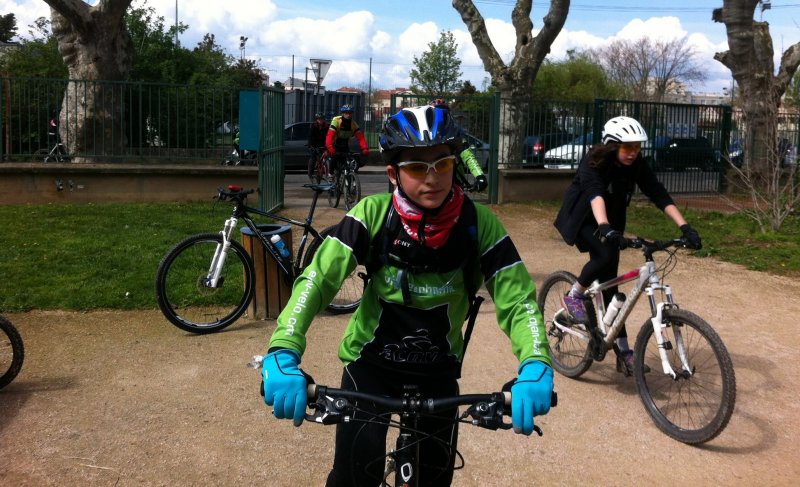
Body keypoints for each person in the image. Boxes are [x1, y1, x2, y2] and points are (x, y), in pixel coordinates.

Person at [262, 105, 553, 486]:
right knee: (352, 478)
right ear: (393, 173)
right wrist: (283, 348)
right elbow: (317, 280)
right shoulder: (371, 214)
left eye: (442, 164)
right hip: (370, 368)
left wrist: (535, 362)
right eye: (416, 167)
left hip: (438, 372)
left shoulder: (479, 225)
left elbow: (518, 301)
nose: (431, 178)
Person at [553, 116, 702, 376]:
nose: (633, 153)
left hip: (612, 222)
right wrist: (605, 227)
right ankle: (574, 295)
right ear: (612, 146)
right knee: (603, 255)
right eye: (627, 147)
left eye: (637, 147)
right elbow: (595, 194)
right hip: (584, 219)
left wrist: (685, 227)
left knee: (613, 287)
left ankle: (623, 352)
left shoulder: (637, 165)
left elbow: (658, 193)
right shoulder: (594, 162)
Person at [430, 98, 488, 192]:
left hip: (455, 180)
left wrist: (479, 175)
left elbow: (467, 155)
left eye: (444, 114)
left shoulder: (454, 131)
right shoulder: (425, 135)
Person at [325, 104, 369, 176]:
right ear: (343, 113)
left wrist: (364, 148)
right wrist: (330, 147)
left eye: (350, 113)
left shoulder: (353, 124)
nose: (348, 115)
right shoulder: (337, 121)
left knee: (345, 160)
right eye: (346, 113)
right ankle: (331, 173)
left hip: (345, 143)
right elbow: (329, 135)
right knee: (334, 157)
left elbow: (361, 138)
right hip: (335, 142)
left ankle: (344, 178)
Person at [307, 113, 328, 179]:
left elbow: (329, 136)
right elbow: (310, 136)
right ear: (316, 120)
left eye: (322, 119)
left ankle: (328, 172)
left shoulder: (327, 126)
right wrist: (310, 145)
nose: (320, 121)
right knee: (313, 158)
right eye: (319, 119)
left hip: (323, 144)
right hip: (314, 145)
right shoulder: (313, 126)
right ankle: (310, 173)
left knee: (327, 157)